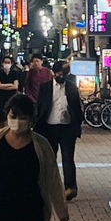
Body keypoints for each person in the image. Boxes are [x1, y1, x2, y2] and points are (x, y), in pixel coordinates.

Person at [34, 60, 83, 201]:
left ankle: (71, 187)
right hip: (49, 128)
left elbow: (77, 109)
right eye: (59, 73)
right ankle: (49, 187)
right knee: (50, 159)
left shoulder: (72, 87)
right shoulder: (45, 87)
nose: (61, 76)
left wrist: (76, 126)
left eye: (64, 74)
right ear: (54, 73)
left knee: (68, 159)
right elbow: (40, 107)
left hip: (67, 128)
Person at [0, 56, 21, 127]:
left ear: (11, 64)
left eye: (9, 62)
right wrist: (10, 85)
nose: (7, 64)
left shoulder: (15, 73)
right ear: (2, 63)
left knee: (12, 116)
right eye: (5, 62)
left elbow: (15, 86)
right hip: (1, 98)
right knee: (1, 118)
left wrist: (3, 86)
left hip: (12, 98)